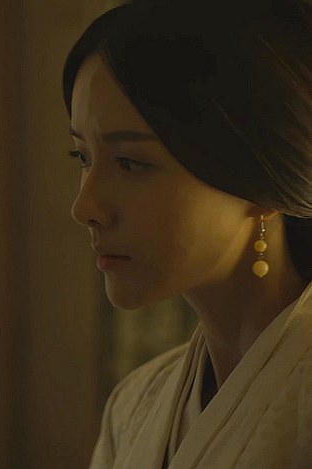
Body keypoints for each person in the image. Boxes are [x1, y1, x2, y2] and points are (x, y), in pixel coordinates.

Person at [62, 0, 312, 467]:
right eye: (83, 157)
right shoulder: (135, 405)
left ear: (261, 182)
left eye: (130, 163)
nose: (85, 208)